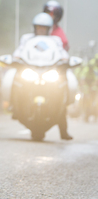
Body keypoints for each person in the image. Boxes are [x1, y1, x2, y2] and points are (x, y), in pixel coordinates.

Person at [12, 12, 72, 140]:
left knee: (62, 90)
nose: (41, 30)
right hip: (31, 70)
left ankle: (63, 129)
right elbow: (19, 50)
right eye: (39, 27)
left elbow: (62, 53)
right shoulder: (27, 38)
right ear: (34, 27)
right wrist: (15, 58)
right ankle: (14, 105)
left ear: (48, 29)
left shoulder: (55, 41)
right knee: (15, 79)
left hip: (49, 72)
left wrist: (66, 60)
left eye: (44, 28)